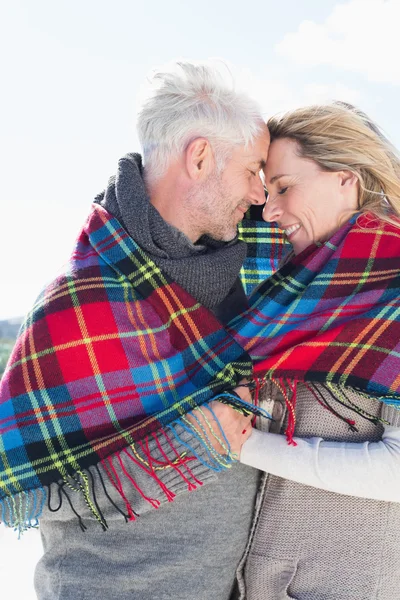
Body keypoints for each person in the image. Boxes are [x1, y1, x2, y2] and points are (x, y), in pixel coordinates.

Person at [0, 62, 270, 600]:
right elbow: (44, 491)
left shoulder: (255, 281)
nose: (261, 194)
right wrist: (187, 447)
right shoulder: (76, 305)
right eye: (253, 170)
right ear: (199, 157)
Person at [217, 102, 400, 599]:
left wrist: (246, 444)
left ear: (346, 178)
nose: (270, 210)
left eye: (284, 187)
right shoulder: (285, 291)